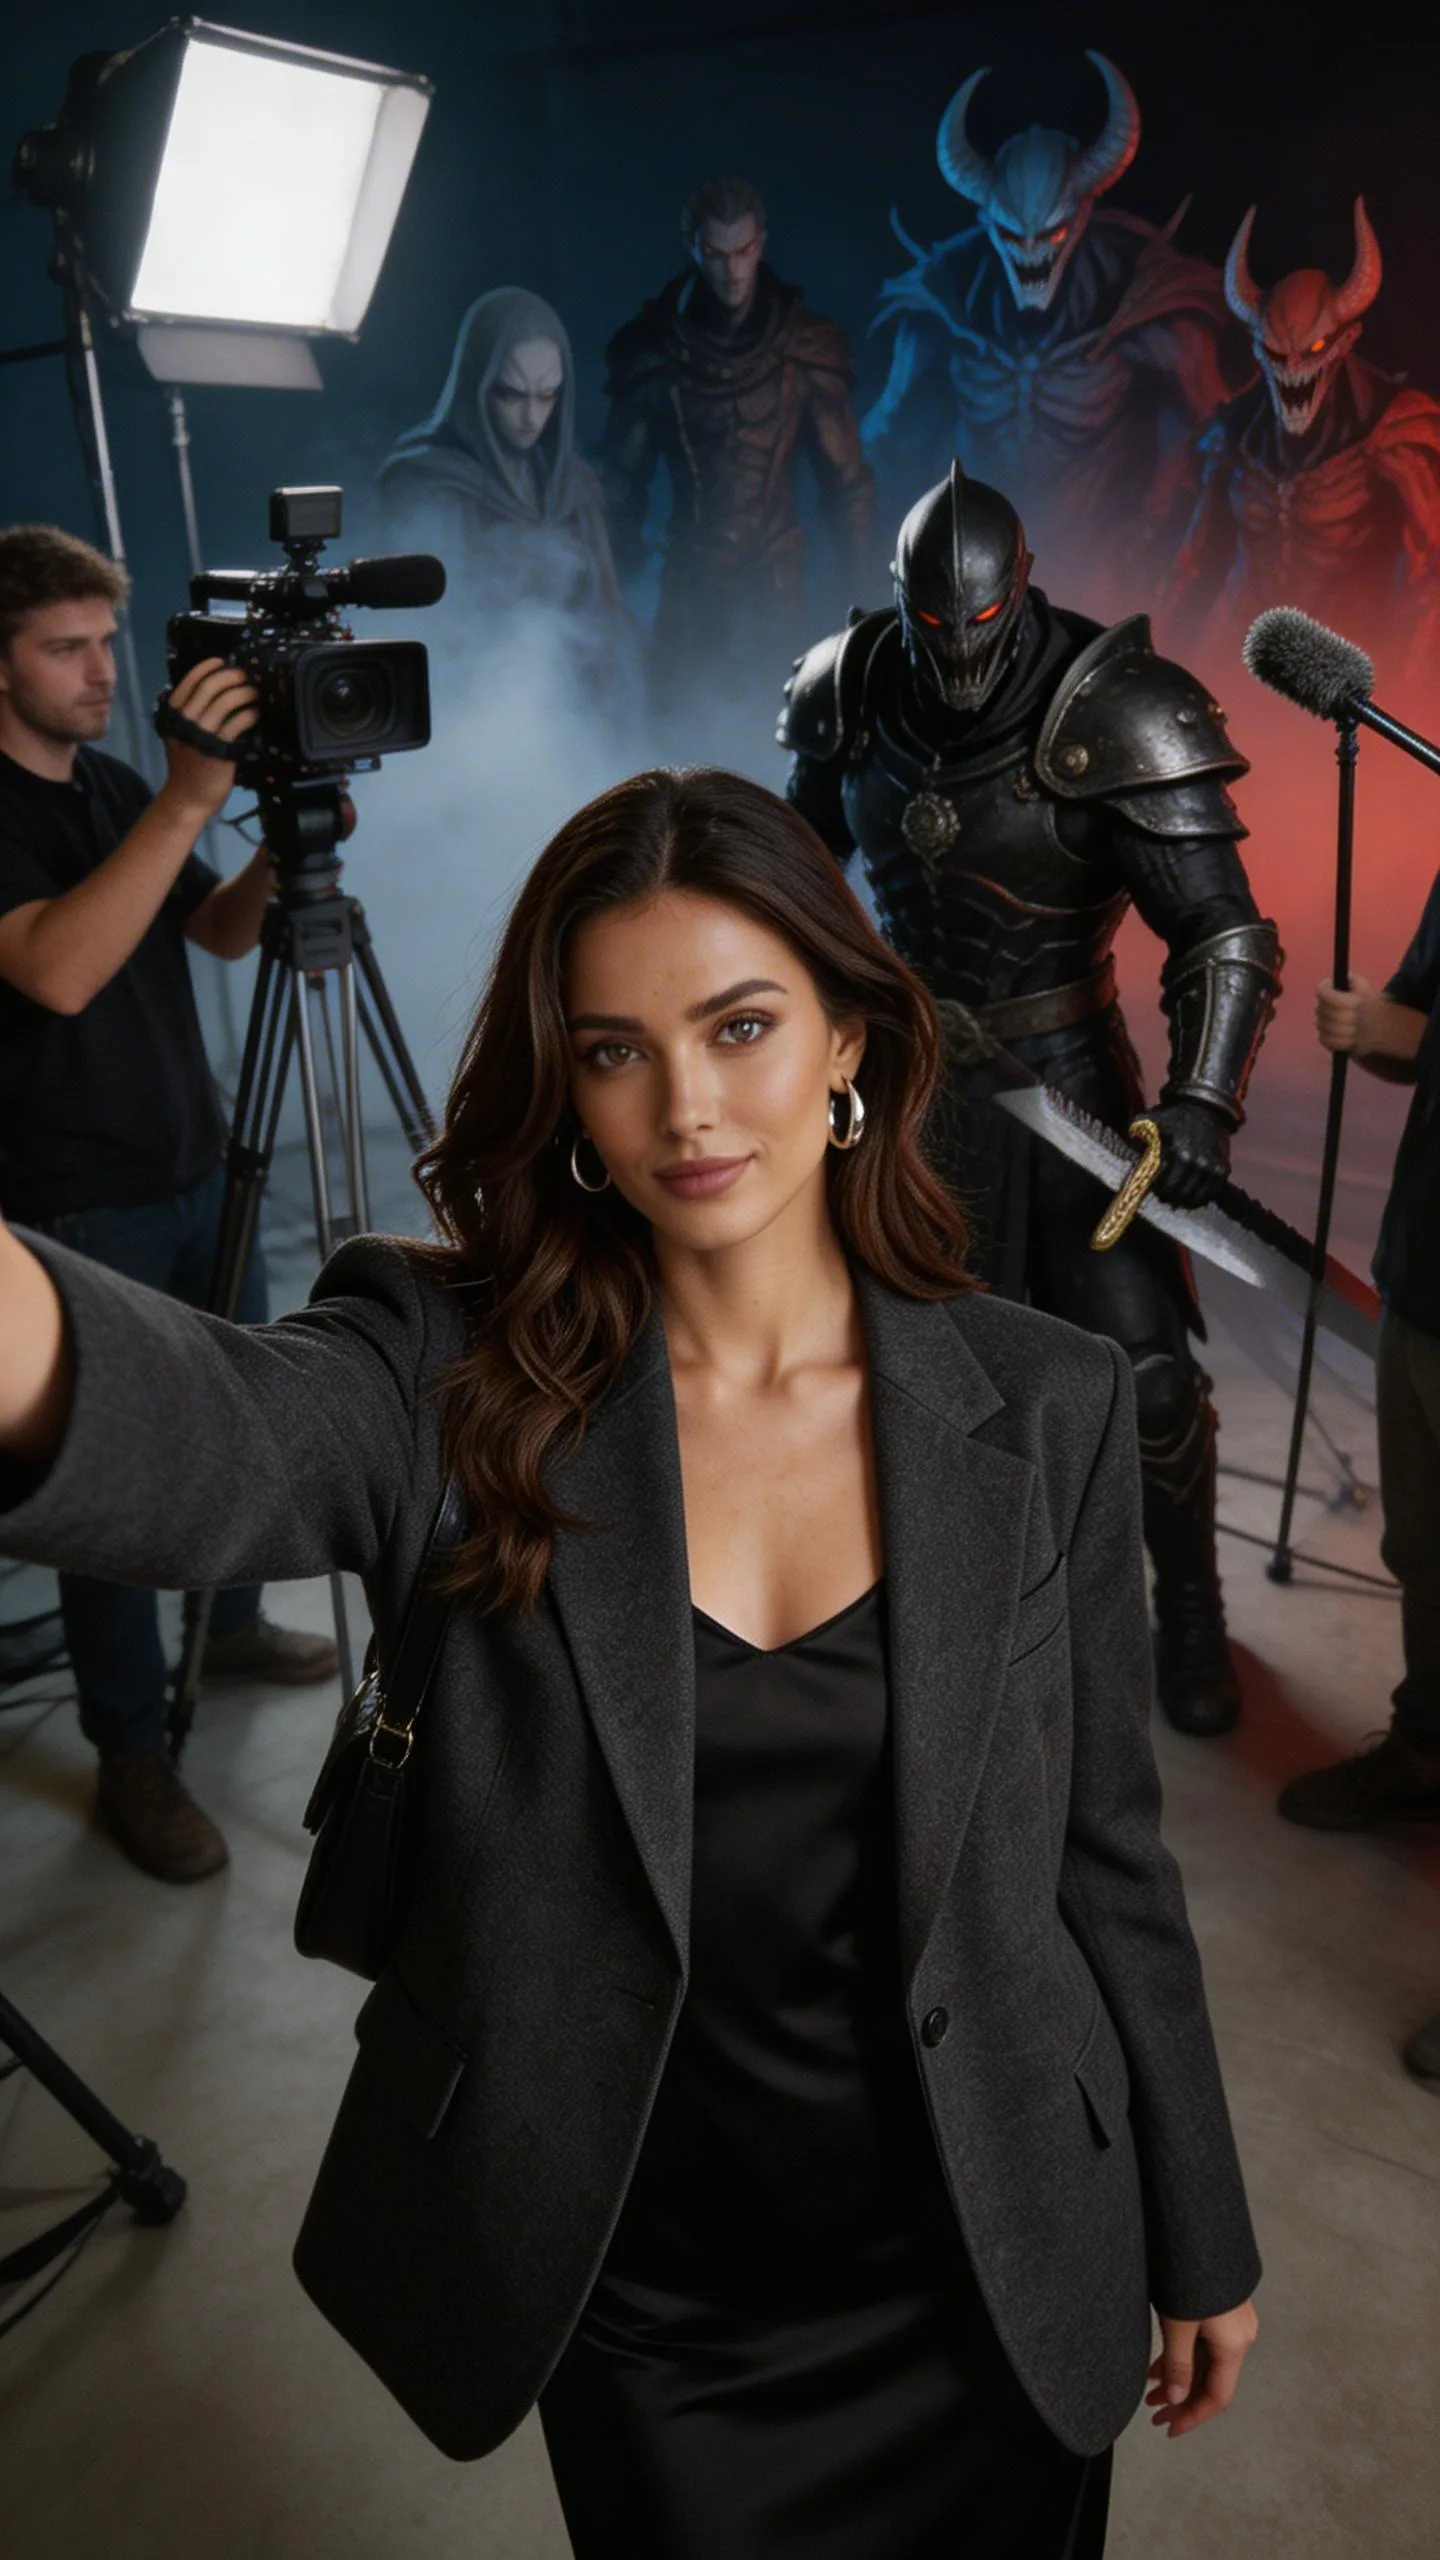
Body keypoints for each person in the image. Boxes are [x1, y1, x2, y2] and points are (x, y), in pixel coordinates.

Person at [0, 767, 1260, 2553]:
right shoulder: (453, 1382)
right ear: (569, 1090)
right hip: (656, 2307)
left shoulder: (1044, 1399)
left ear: (848, 1038)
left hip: (994, 2256)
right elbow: (189, 1422)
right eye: (614, 1051)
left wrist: (1201, 2225)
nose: (686, 1107)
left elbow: (1109, 1862)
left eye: (740, 1026)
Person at [780, 466, 1282, 1741]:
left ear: (1020, 591)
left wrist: (1203, 1104)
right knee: (893, 1372)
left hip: (1067, 1086)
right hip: (904, 1087)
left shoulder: (1110, 706)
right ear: (903, 604)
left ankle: (1188, 1611)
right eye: (932, 627)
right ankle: (927, 1622)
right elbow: (786, 881)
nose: (955, 657)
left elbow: (1220, 929)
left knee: (1147, 1381)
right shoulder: (851, 687)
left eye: (979, 625)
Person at [0, 524, 337, 1885]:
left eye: (106, 641)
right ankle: (132, 1747)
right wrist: (193, 802)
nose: (102, 671)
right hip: (80, 1210)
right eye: (64, 648)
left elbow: (216, 930)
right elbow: (58, 970)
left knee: (241, 1421)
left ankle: (232, 1624)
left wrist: (290, 841)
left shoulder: (113, 782)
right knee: (114, 1491)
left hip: (203, 1171)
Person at [598, 176, 874, 713]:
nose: (733, 271)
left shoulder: (804, 348)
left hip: (776, 583)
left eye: (743, 251)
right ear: (694, 249)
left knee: (783, 722)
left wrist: (862, 606)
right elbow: (617, 490)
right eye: (717, 254)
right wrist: (608, 601)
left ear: (761, 244)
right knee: (674, 726)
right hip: (690, 583)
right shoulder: (655, 352)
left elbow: (848, 489)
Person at [378, 287, 629, 701]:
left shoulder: (575, 485)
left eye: (546, 395)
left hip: (574, 709)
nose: (531, 417)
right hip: (473, 703)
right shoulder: (425, 481)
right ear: (476, 384)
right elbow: (428, 632)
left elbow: (605, 622)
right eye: (511, 394)